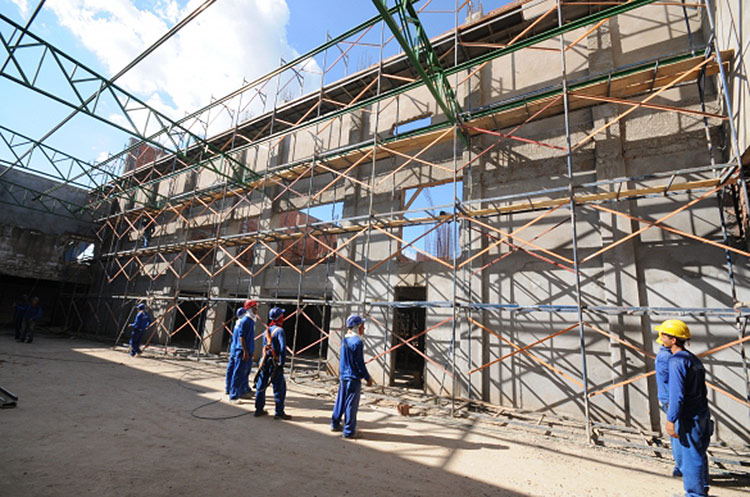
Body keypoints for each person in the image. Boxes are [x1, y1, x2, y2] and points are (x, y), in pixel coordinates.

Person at [658, 319, 712, 497]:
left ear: (673, 340)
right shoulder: (692, 359)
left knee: (690, 457)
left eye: (664, 335)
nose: (661, 337)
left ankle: (695, 495)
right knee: (697, 453)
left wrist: (671, 419)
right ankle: (702, 487)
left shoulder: (676, 361)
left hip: (688, 416)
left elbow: (677, 394)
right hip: (701, 412)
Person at [331, 314, 372, 439]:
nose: (364, 329)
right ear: (357, 327)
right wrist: (367, 377)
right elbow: (359, 362)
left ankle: (335, 423)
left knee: (340, 400)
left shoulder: (345, 340)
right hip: (353, 377)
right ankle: (348, 431)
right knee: (351, 404)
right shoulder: (357, 342)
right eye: (362, 326)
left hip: (344, 375)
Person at [254, 306, 291, 420]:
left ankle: (258, 409)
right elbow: (282, 348)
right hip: (274, 363)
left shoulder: (266, 331)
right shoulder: (279, 331)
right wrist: (281, 363)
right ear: (280, 318)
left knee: (261, 385)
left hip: (264, 361)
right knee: (279, 387)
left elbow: (264, 347)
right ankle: (279, 412)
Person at [654, 330, 682, 477]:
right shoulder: (667, 357)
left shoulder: (671, 356)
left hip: (671, 399)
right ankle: (681, 468)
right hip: (671, 400)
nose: (661, 337)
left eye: (664, 334)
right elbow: (672, 382)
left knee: (679, 434)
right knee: (677, 434)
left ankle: (683, 468)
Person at [225, 302, 257, 402]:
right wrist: (245, 351)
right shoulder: (245, 321)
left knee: (245, 373)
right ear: (250, 309)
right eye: (255, 308)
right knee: (238, 373)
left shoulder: (250, 321)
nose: (256, 310)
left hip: (248, 351)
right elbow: (242, 337)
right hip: (241, 351)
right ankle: (233, 395)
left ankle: (243, 391)